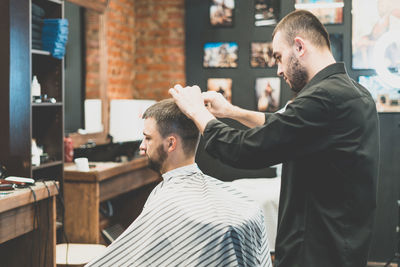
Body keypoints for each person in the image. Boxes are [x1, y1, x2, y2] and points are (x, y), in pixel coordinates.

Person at [169, 9, 379, 267]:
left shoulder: (322, 99)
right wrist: (231, 112)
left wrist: (197, 113)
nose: (279, 70)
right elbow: (287, 127)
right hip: (345, 245)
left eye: (279, 57)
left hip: (316, 253)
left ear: (299, 46)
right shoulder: (354, 93)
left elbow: (245, 150)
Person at [85, 99, 272, 267]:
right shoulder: (243, 202)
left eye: (148, 138)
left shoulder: (167, 202)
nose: (142, 146)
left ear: (171, 144)